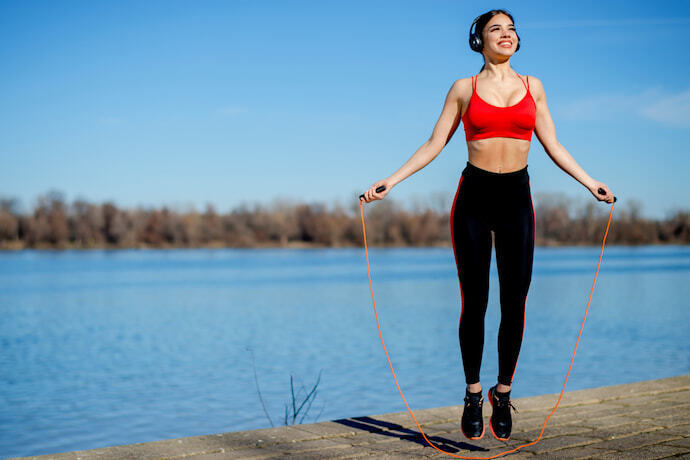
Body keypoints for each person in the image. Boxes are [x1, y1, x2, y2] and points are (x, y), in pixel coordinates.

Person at [359, 9, 615, 442]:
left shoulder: (534, 87)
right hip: (473, 198)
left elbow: (552, 142)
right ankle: (474, 393)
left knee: (515, 302)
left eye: (512, 29)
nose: (506, 35)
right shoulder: (464, 88)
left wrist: (591, 183)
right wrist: (392, 179)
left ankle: (503, 392)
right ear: (478, 40)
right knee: (474, 301)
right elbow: (435, 141)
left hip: (517, 199)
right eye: (496, 29)